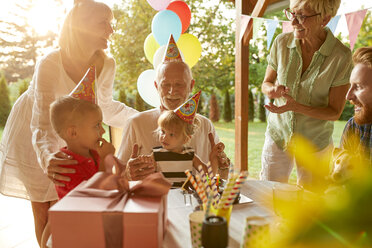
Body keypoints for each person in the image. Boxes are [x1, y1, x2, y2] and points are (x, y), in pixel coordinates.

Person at [0, 0, 137, 246]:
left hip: (75, 135)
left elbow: (104, 107)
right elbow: (41, 125)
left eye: (111, 23)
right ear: (80, 27)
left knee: (69, 208)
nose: (111, 31)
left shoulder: (108, 64)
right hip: (35, 136)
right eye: (103, 23)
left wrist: (142, 118)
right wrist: (47, 157)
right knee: (46, 212)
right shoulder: (50, 63)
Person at [260, 0, 352, 188]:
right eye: (292, 14)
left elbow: (334, 112)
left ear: (325, 19)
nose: (293, 22)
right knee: (269, 196)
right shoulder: (281, 43)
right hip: (278, 136)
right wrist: (273, 90)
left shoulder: (341, 56)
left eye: (301, 16)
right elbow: (266, 84)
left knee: (312, 204)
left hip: (315, 144)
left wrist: (297, 107)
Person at [117, 35, 230, 181]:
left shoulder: (205, 126)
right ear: (157, 86)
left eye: (179, 84)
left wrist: (223, 167)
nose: (172, 91)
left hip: (195, 202)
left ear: (191, 86)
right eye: (165, 85)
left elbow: (218, 178)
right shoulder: (136, 124)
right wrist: (127, 174)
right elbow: (116, 178)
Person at [153, 92, 228, 187]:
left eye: (171, 134)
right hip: (164, 196)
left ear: (185, 139)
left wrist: (213, 157)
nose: (164, 137)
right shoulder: (156, 154)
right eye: (162, 131)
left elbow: (209, 175)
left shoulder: (190, 155)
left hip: (185, 198)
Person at [340, 47, 372, 163]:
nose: (348, 96)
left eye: (358, 87)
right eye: (350, 85)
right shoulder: (354, 127)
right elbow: (341, 178)